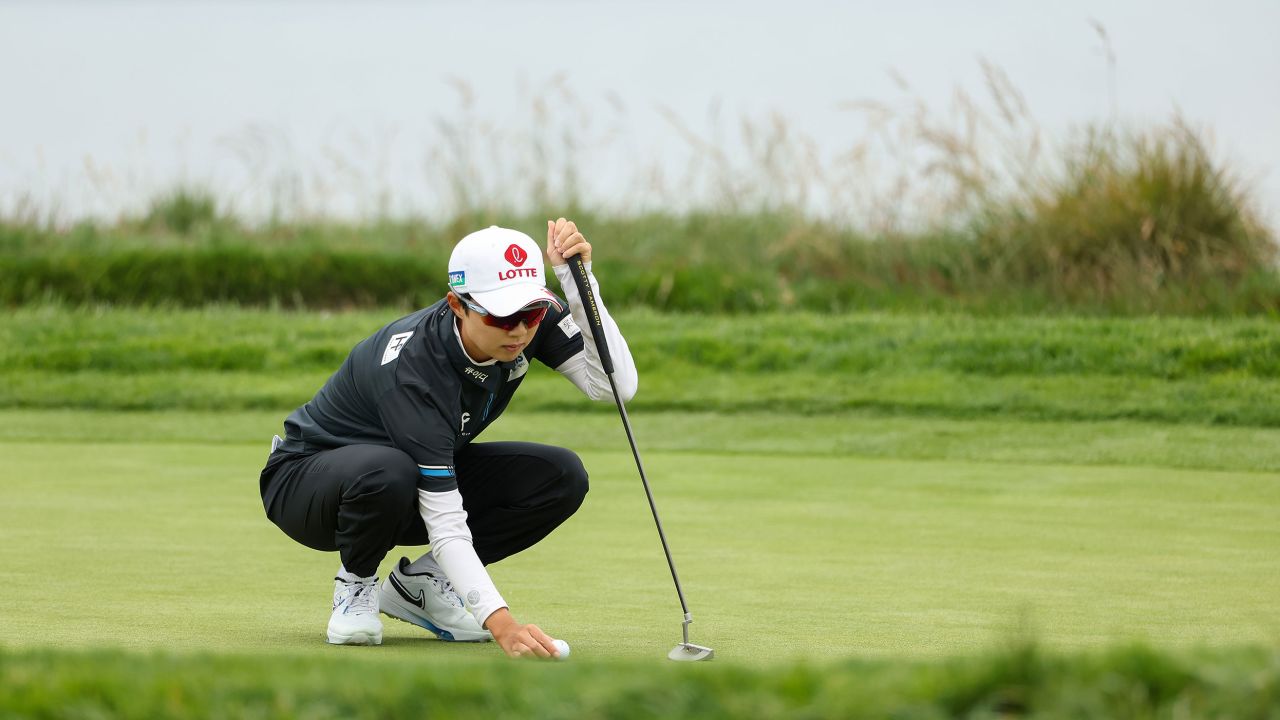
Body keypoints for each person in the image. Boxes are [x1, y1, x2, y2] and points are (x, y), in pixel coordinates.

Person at [258, 219, 637, 659]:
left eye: (530, 314)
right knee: (390, 470)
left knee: (561, 476)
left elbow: (614, 386)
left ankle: (421, 587)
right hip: (307, 484)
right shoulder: (414, 372)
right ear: (457, 305)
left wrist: (579, 280)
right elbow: (446, 523)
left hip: (404, 479)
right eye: (501, 316)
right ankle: (356, 582)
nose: (519, 331)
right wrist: (503, 625)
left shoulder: (534, 320)